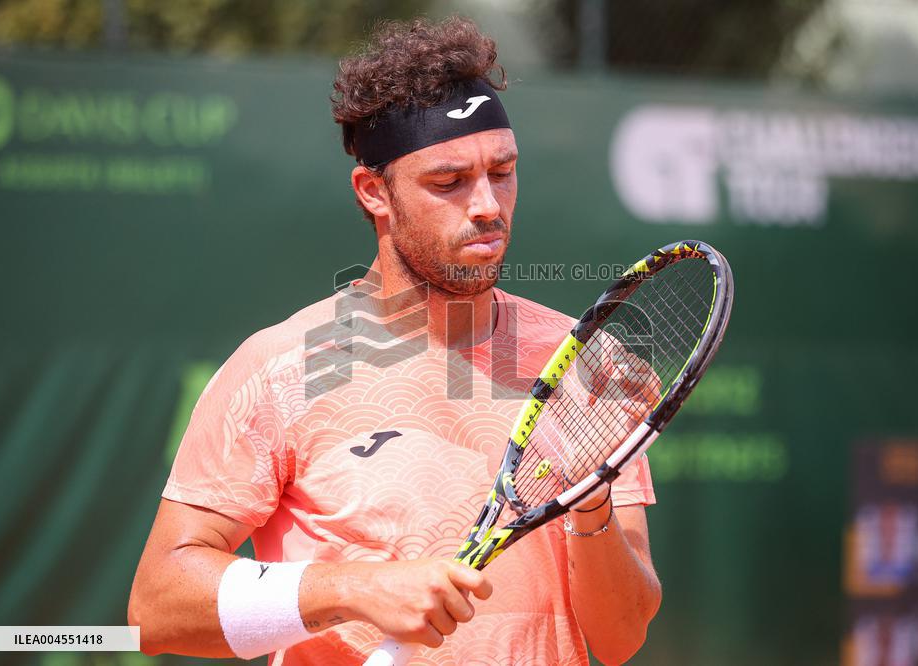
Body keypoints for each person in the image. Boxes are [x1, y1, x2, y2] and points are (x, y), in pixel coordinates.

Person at [128, 16, 662, 666]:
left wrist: (592, 494)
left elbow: (621, 636)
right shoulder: (277, 369)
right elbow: (156, 607)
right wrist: (355, 589)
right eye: (449, 182)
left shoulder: (581, 367)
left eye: (503, 171)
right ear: (374, 192)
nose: (488, 205)